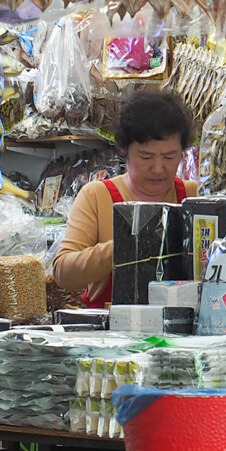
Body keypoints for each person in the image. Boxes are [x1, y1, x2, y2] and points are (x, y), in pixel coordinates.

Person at [53, 87, 196, 307]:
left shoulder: (193, 197)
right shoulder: (97, 196)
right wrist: (126, 245)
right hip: (112, 333)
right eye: (146, 156)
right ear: (124, 150)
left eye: (170, 156)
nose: (158, 168)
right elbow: (63, 273)